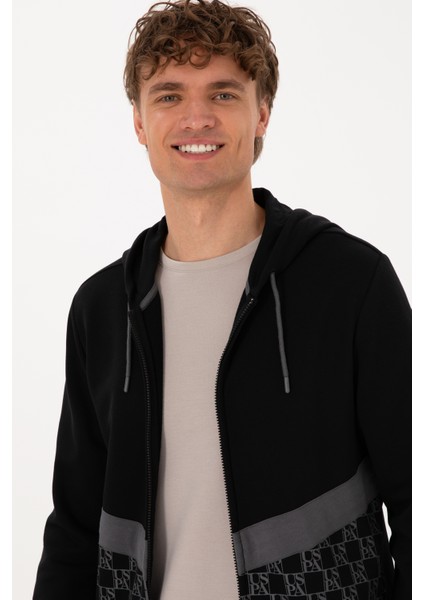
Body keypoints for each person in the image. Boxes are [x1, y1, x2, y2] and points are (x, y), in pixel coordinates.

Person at [33, 1, 411, 599]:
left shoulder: (352, 283)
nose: (197, 117)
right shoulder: (102, 309)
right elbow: (75, 532)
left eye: (224, 94)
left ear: (262, 114)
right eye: (169, 95)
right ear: (139, 122)